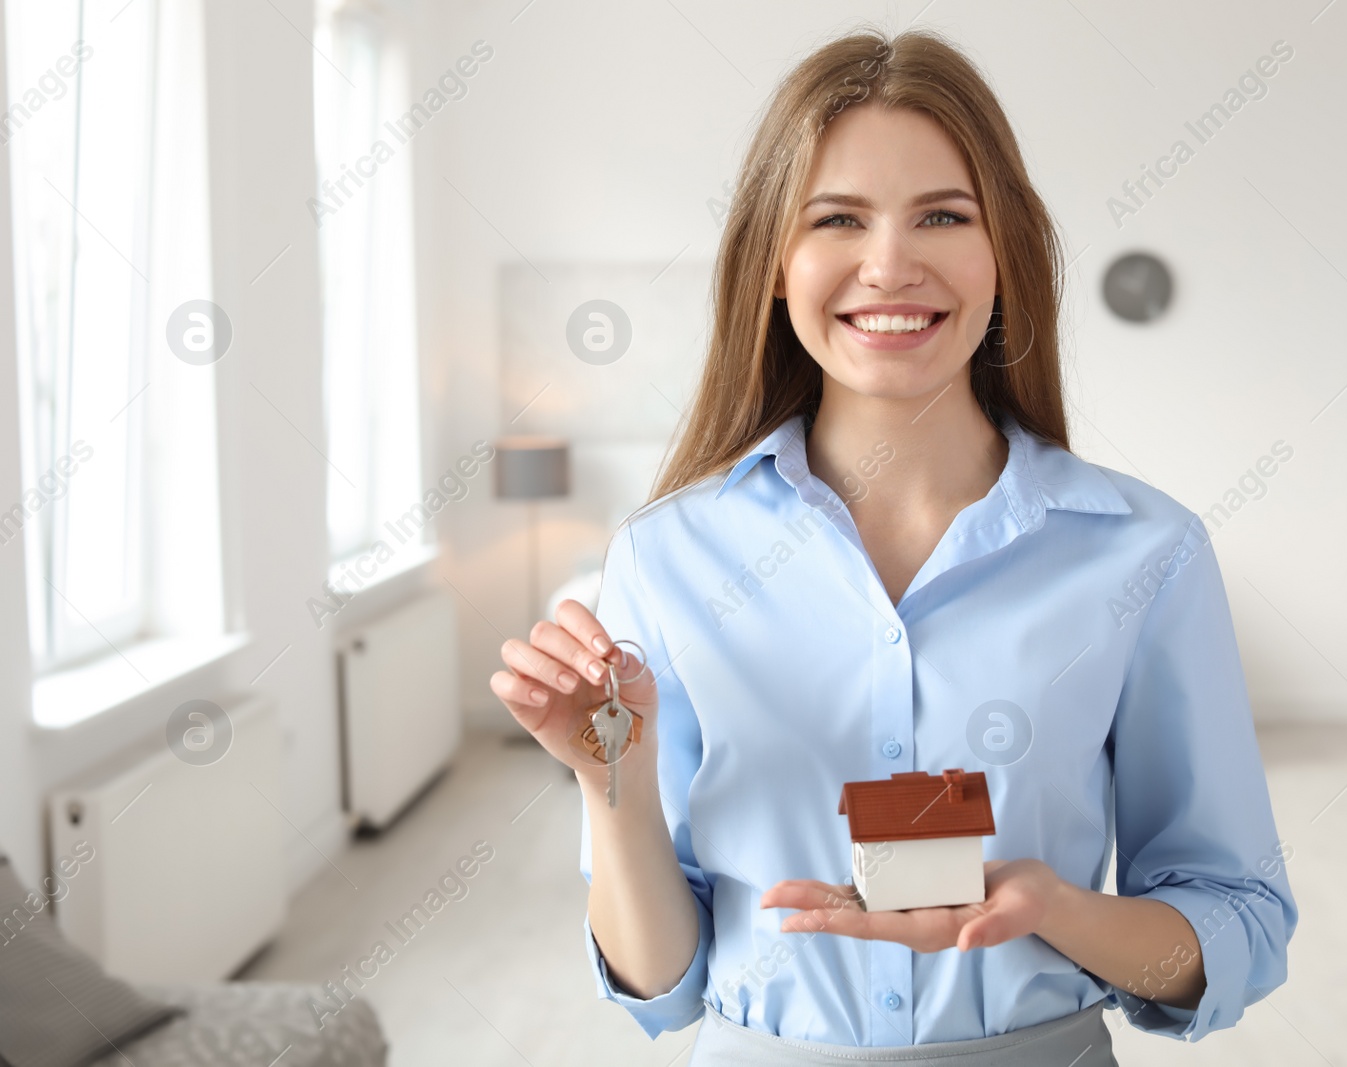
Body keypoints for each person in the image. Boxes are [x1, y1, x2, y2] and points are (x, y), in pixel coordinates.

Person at [491, 25, 1296, 1067]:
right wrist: (613, 781)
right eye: (837, 219)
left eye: (941, 216)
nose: (888, 264)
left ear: (1001, 252)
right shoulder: (665, 556)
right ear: (774, 267)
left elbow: (1234, 926)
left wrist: (1049, 907)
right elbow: (661, 984)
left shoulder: (1145, 552)